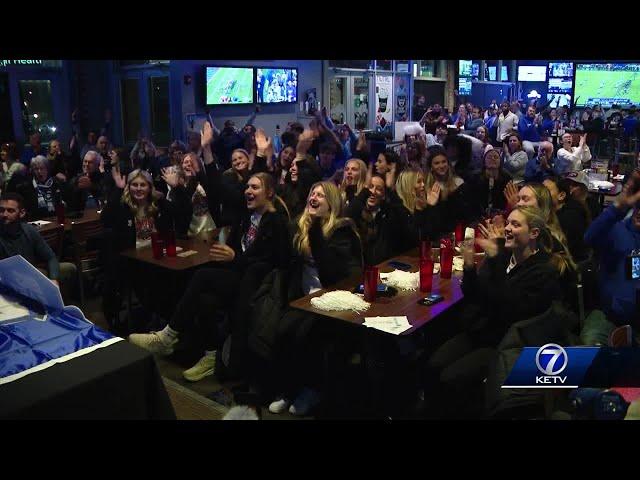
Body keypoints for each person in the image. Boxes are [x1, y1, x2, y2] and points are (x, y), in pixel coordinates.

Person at [128, 172, 291, 381]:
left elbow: (272, 262)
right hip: (238, 276)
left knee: (203, 275)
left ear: (269, 192)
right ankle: (211, 355)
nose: (248, 191)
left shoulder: (276, 221)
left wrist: (234, 258)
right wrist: (226, 254)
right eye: (247, 187)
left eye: (255, 188)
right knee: (204, 300)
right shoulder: (247, 217)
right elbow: (233, 249)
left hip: (257, 285)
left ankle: (168, 337)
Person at [424, 206, 564, 415]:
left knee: (449, 379)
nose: (507, 228)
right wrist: (470, 265)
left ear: (534, 233)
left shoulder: (543, 271)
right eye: (508, 222)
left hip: (504, 344)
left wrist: (496, 261)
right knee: (433, 365)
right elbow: (475, 295)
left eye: (515, 225)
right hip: (480, 331)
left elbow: (509, 308)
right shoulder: (505, 256)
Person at [266, 181, 362, 416]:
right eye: (312, 193)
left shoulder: (342, 232)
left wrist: (317, 236)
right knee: (281, 330)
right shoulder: (298, 227)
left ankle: (312, 389)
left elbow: (337, 276)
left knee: (303, 334)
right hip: (302, 298)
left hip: (332, 301)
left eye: (321, 195)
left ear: (331, 204)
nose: (314, 197)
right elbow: (282, 260)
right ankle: (289, 388)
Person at [100, 167, 192, 326]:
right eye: (134, 185)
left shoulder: (158, 204)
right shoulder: (122, 206)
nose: (138, 189)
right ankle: (160, 318)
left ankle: (174, 320)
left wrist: (177, 188)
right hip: (132, 260)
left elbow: (183, 212)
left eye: (143, 185)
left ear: (150, 187)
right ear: (129, 187)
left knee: (180, 276)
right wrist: (118, 189)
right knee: (150, 281)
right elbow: (105, 219)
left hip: (158, 257)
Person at [0, 192, 76, 301]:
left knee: (69, 268)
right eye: (1, 210)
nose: (4, 214)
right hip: (7, 280)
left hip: (32, 274)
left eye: (10, 210)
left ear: (22, 213)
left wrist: (54, 280)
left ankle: (61, 306)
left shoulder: (29, 230)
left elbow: (50, 257)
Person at [584, 182, 640, 326]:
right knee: (589, 343)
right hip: (609, 317)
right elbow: (590, 237)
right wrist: (617, 208)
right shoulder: (617, 230)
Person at [345, 174, 401, 265]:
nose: (373, 192)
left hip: (384, 266)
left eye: (379, 189)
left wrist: (391, 191)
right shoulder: (356, 210)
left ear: (383, 195)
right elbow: (347, 215)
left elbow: (400, 216)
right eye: (370, 187)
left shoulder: (387, 213)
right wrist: (364, 192)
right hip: (359, 268)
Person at [543, 177, 590, 262]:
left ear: (561, 195)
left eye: (545, 190)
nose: (540, 194)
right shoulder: (548, 212)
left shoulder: (570, 218)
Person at [12, 156, 71, 221]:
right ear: (32, 171)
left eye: (42, 168)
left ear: (47, 169)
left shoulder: (56, 183)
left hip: (57, 220)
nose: (39, 172)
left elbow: (68, 201)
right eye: (36, 169)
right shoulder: (26, 187)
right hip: (37, 222)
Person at [468, 149, 512, 218]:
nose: (492, 159)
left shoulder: (507, 177)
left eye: (496, 157)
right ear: (484, 161)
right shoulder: (474, 176)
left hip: (500, 213)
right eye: (489, 157)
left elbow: (507, 199)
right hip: (477, 213)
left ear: (500, 161)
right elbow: (471, 199)